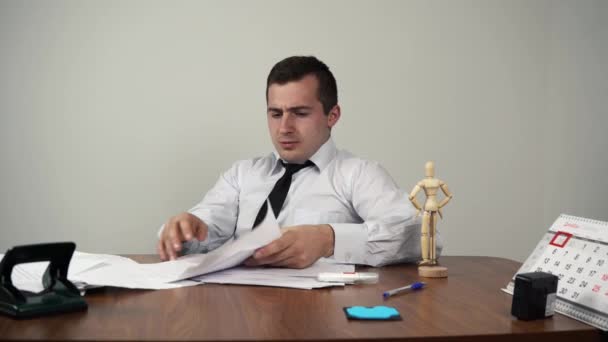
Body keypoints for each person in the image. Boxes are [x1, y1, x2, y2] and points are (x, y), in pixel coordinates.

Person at [157, 56, 429, 268]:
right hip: (244, 314)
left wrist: (329, 239)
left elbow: (420, 236)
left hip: (324, 319)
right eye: (275, 113)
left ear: (332, 115)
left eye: (299, 113)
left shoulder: (359, 174)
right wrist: (184, 231)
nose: (284, 127)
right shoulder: (241, 175)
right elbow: (206, 226)